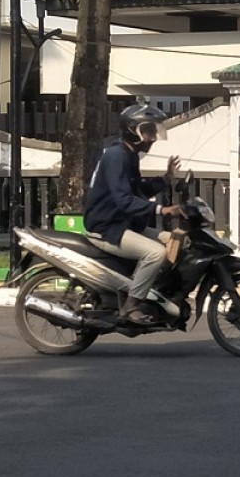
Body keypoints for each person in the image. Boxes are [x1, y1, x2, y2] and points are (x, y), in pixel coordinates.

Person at [84, 104, 185, 325]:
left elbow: (137, 190)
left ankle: (153, 289)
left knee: (174, 241)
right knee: (156, 253)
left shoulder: (128, 155)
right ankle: (131, 306)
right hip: (107, 228)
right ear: (133, 130)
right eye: (149, 131)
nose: (153, 137)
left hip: (123, 224)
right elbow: (123, 200)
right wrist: (161, 209)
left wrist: (165, 179)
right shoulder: (116, 156)